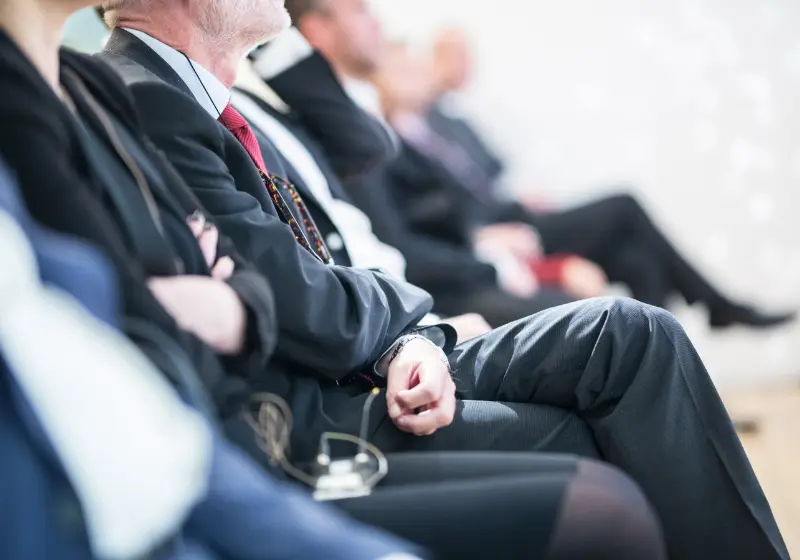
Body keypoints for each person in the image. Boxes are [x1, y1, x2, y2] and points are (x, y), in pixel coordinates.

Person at [91, 0, 789, 556]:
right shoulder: (149, 97)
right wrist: (408, 327)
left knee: (630, 331)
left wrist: (409, 334)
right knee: (602, 408)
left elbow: (326, 236)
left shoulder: (215, 96)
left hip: (379, 341)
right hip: (329, 389)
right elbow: (292, 289)